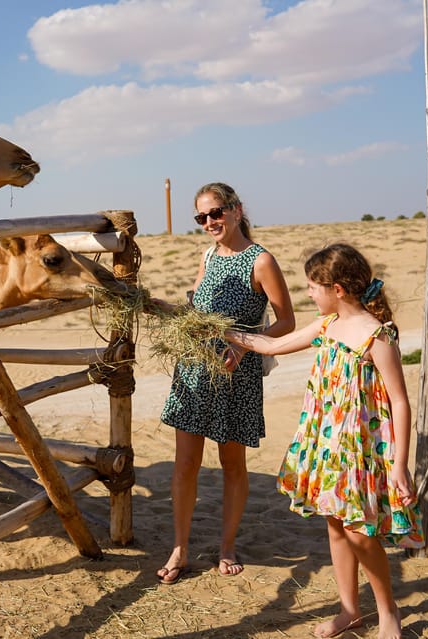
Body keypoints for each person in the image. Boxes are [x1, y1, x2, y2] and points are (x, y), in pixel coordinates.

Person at [226, 243, 422, 639]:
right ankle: (350, 610)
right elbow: (270, 344)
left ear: (338, 289)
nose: (309, 294)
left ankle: (388, 614)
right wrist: (219, 329)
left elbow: (400, 402)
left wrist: (399, 464)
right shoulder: (326, 326)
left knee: (359, 533)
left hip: (361, 449)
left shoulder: (376, 336)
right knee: (335, 526)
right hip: (327, 443)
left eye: (314, 287)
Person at [155, 182, 295, 585]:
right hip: (196, 368)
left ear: (235, 210)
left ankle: (227, 546)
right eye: (202, 217)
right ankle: (180, 548)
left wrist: (247, 349)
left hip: (239, 374)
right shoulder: (208, 255)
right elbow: (196, 308)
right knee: (185, 464)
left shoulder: (261, 260)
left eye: (216, 213)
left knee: (232, 464)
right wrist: (168, 311)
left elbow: (286, 322)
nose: (210, 222)